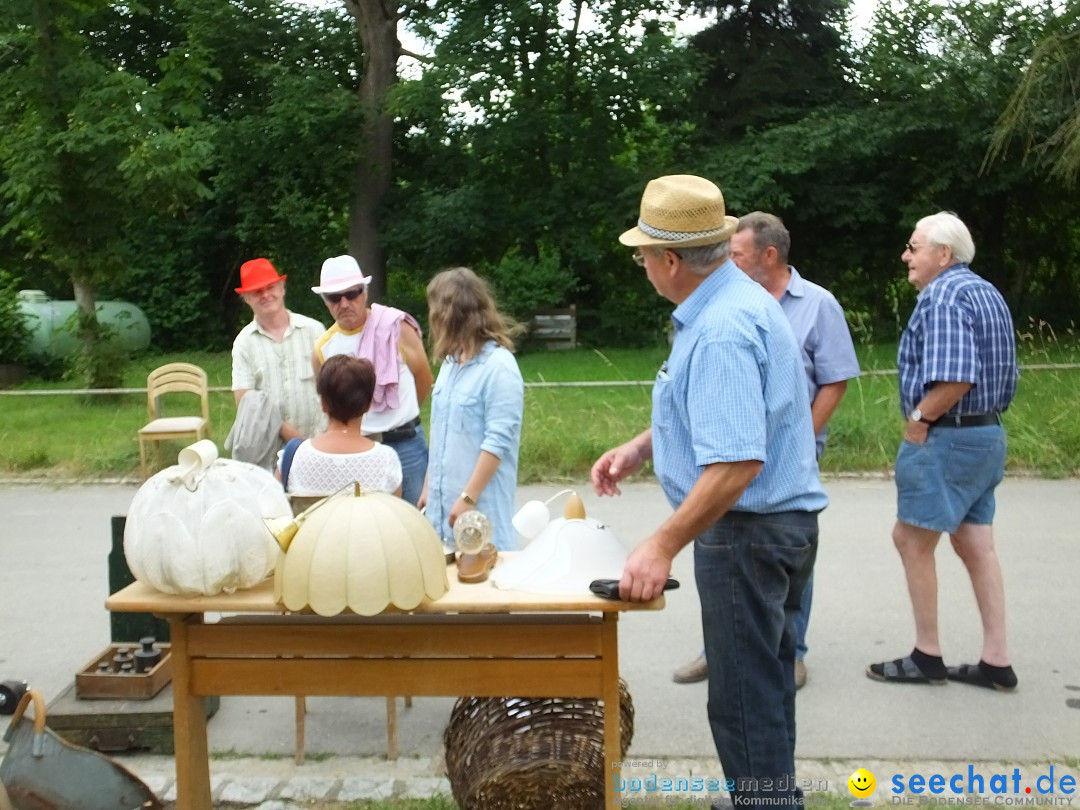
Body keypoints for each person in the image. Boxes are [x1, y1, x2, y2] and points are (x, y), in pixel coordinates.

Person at [591, 175, 827, 810]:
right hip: (775, 526)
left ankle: (764, 802)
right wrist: (645, 446)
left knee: (743, 693)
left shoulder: (722, 326)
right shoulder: (735, 304)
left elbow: (737, 461)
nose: (642, 266)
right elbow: (728, 416)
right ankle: (771, 794)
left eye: (643, 255)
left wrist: (661, 543)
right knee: (766, 681)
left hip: (747, 532)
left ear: (670, 260)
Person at [672, 211, 860, 690]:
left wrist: (797, 440)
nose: (727, 262)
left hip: (785, 460)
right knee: (732, 573)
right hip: (731, 461)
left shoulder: (817, 305)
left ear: (768, 255)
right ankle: (717, 649)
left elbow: (834, 381)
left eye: (736, 254)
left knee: (786, 557)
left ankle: (791, 651)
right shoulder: (737, 303)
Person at [867, 211, 1019, 691]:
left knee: (911, 539)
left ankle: (926, 655)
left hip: (948, 435)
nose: (906, 256)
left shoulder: (943, 296)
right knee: (976, 544)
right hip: (988, 434)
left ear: (943, 254)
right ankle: (997, 660)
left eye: (914, 247)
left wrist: (920, 420)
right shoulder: (985, 291)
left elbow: (956, 376)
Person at [311, 255, 433, 506]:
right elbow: (329, 405)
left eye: (352, 293)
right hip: (358, 448)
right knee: (366, 525)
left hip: (406, 442)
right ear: (325, 302)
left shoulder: (396, 326)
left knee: (415, 523)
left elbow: (424, 377)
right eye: (334, 297)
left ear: (364, 292)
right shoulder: (323, 347)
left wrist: (401, 415)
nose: (344, 303)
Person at [418, 267, 524, 553]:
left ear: (449, 314)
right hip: (441, 517)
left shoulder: (499, 368)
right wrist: (429, 487)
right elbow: (439, 433)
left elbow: (497, 442)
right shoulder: (450, 365)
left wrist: (468, 498)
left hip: (480, 518)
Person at [230, 258, 326, 468]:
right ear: (246, 298)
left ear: (282, 288)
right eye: (257, 291)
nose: (265, 295)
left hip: (319, 445)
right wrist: (288, 433)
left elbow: (335, 385)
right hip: (270, 454)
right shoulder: (244, 343)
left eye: (270, 287)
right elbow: (245, 401)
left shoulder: (315, 331)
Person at [280, 354, 402, 497]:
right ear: (369, 405)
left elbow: (276, 510)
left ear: (323, 404)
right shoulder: (386, 460)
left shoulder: (294, 456)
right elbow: (393, 511)